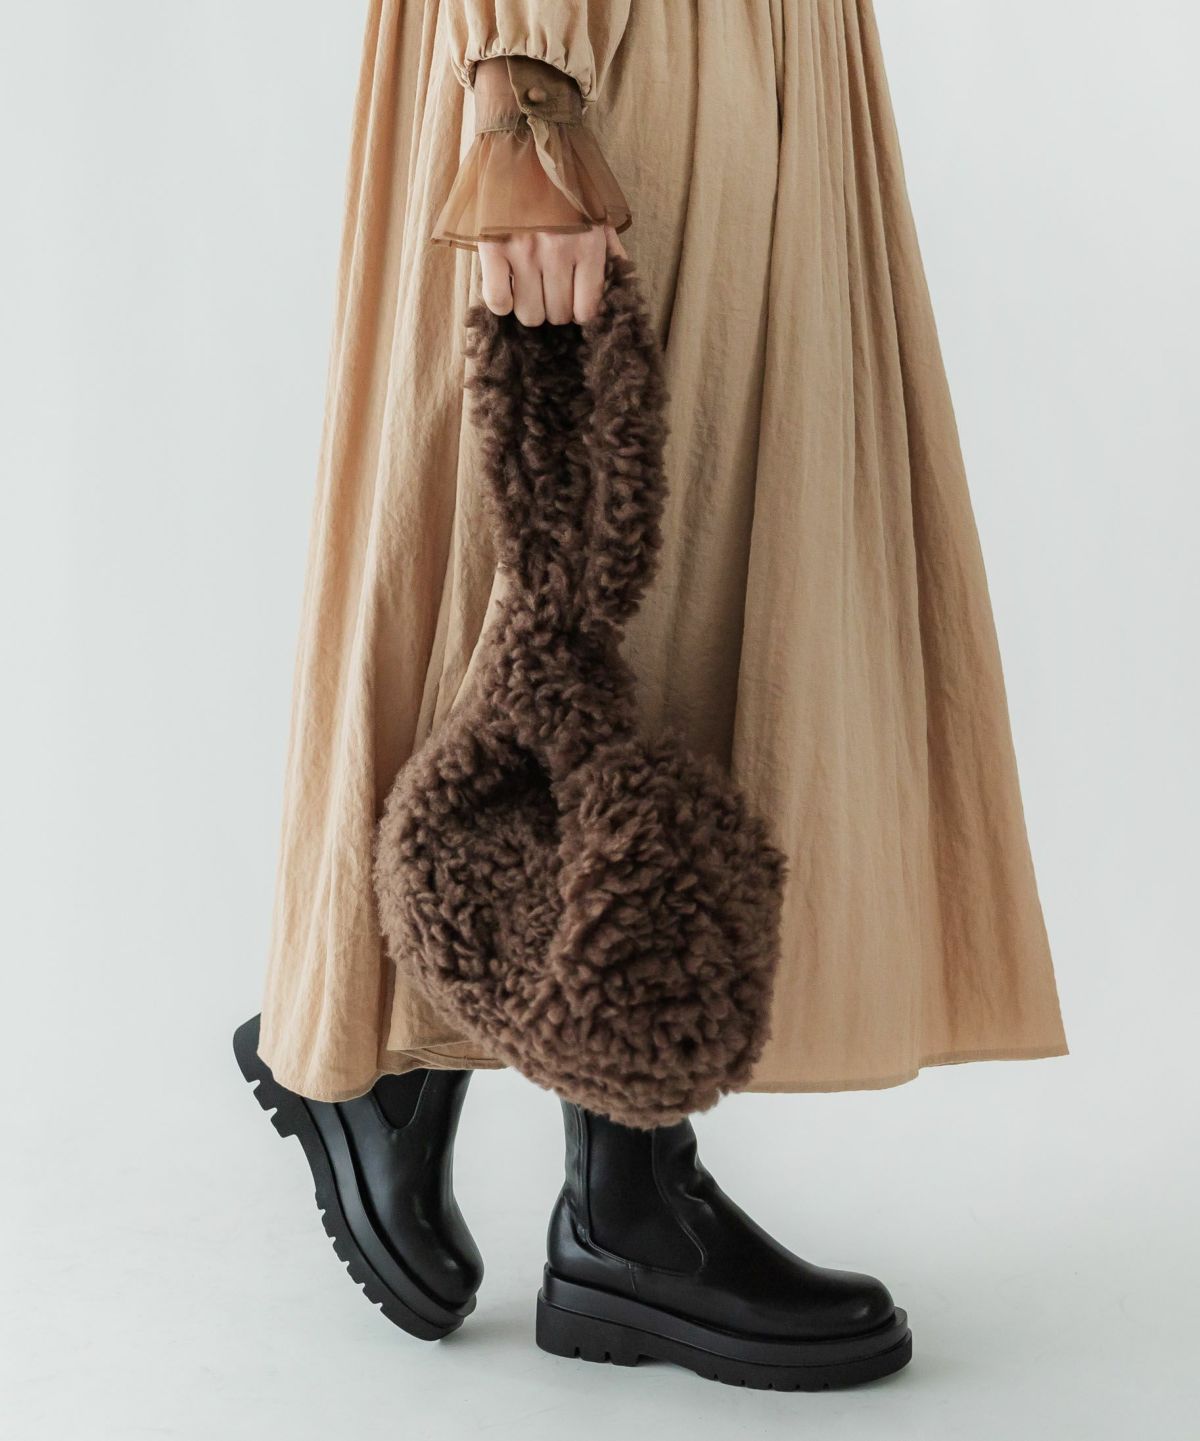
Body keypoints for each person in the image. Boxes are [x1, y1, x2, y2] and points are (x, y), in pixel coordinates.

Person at [234, 0, 1067, 1392]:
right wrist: (527, 94)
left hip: (729, 43)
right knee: (579, 565)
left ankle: (489, 1106)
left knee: (655, 562)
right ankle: (549, 1148)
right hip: (612, 47)